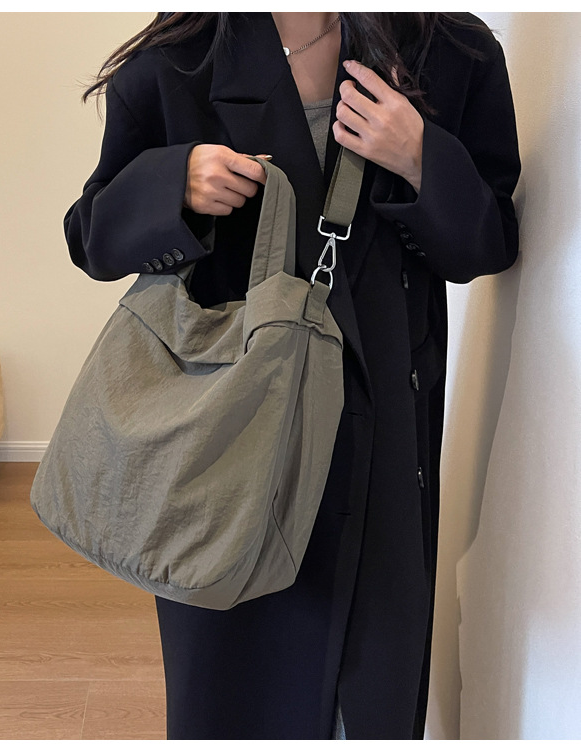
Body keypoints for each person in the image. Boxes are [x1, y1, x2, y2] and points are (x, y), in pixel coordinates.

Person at [63, 12, 520, 740]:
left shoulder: (450, 50)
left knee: (372, 687)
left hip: (381, 445)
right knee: (234, 694)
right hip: (227, 445)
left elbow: (485, 245)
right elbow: (92, 237)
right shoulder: (177, 63)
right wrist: (173, 185)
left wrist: (420, 160)